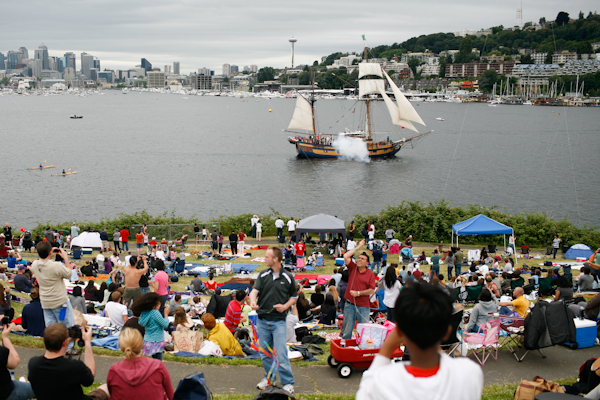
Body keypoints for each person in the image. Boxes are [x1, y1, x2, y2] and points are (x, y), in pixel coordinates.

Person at [356, 282, 484, 400]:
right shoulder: (469, 374)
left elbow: (365, 390)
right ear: (447, 332)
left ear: (400, 332)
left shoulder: (381, 382)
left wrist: (388, 345)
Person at [249, 247, 298, 394]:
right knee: (265, 353)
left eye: (267, 257)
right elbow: (254, 292)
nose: (264, 259)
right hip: (263, 320)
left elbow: (294, 297)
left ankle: (288, 382)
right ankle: (269, 379)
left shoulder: (288, 277)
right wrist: (252, 301)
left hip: (279, 322)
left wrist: (285, 307)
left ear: (275, 259)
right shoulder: (263, 275)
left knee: (281, 353)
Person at [28, 323, 109, 400]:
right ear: (64, 343)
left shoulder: (34, 364)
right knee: (107, 388)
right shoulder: (74, 367)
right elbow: (90, 377)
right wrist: (87, 342)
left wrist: (68, 339)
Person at [30, 242, 77, 352]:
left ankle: (52, 347)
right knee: (67, 325)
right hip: (60, 301)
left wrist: (49, 253)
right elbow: (69, 274)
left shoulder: (35, 264)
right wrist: (65, 258)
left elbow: (43, 260)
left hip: (45, 301)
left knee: (51, 327)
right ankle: (68, 348)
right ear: (50, 252)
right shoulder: (56, 266)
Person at [107, 328, 174, 400]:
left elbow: (112, 392)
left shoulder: (114, 371)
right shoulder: (157, 366)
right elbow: (171, 395)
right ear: (142, 344)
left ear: (120, 347)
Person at [341, 239, 376, 340]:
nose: (359, 259)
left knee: (364, 331)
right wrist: (358, 247)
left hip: (363, 306)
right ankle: (345, 348)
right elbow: (346, 256)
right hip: (350, 305)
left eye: (362, 259)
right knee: (347, 330)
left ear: (367, 263)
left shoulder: (370, 274)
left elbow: (371, 290)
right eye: (359, 258)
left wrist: (359, 293)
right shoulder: (353, 268)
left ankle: (362, 348)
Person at [2, 323, 36, 400]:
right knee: (40, 389)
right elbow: (14, 362)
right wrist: (5, 338)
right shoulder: (1, 351)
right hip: (7, 393)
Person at [133, 293, 170, 361]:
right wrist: (166, 315)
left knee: (147, 362)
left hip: (147, 340)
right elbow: (165, 324)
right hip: (157, 340)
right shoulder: (155, 313)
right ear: (157, 303)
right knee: (158, 362)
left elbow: (141, 323)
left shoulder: (145, 312)